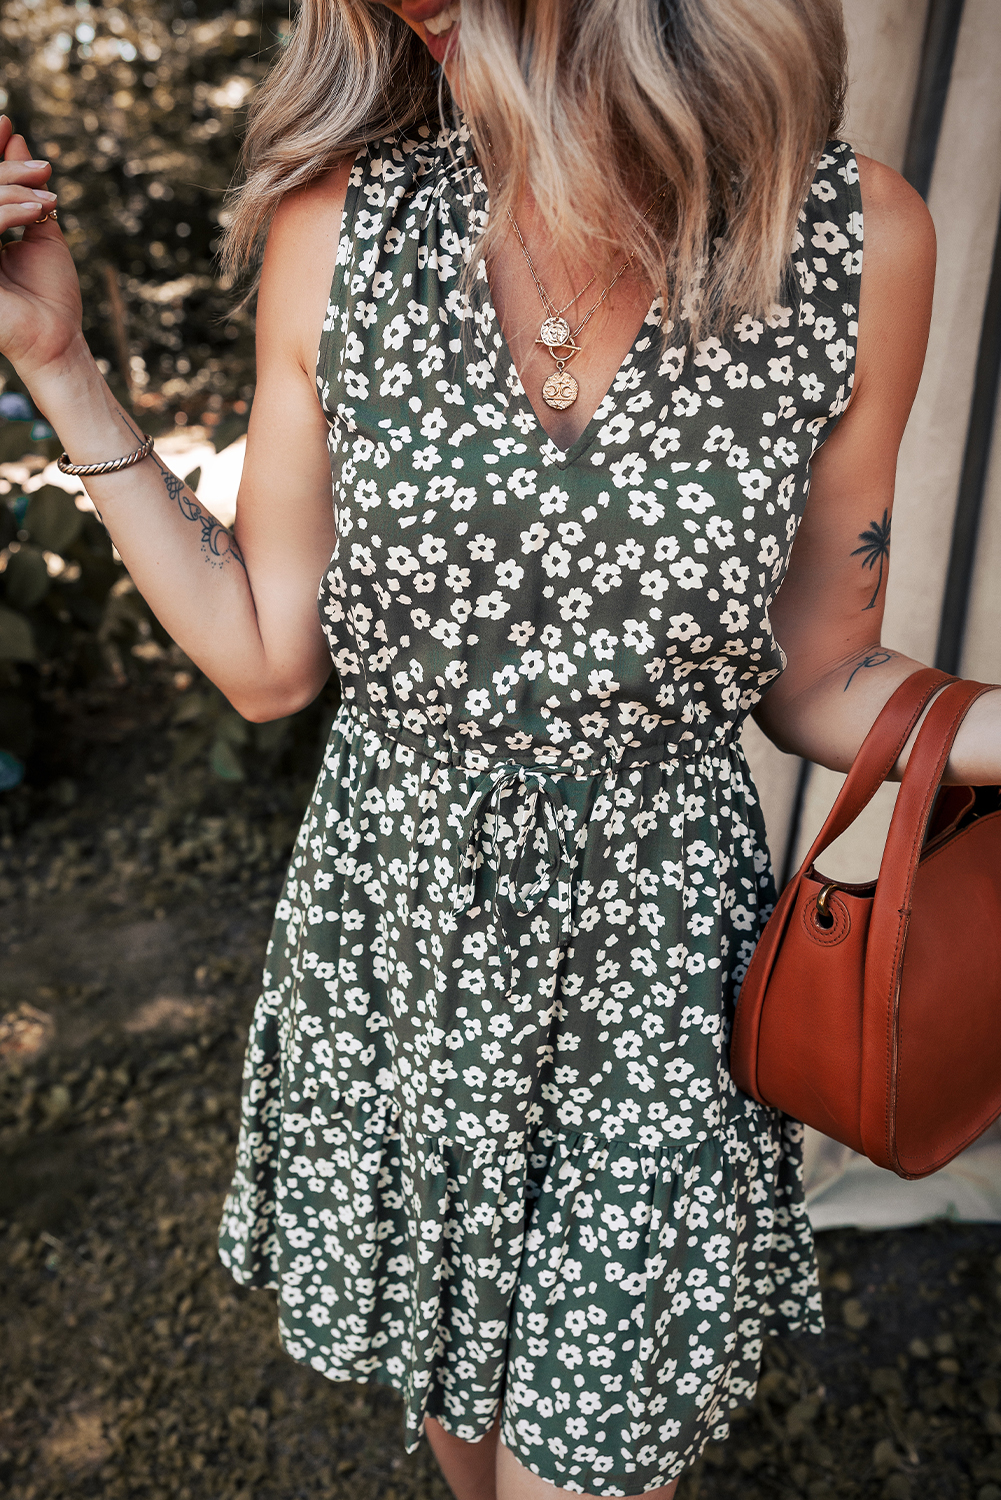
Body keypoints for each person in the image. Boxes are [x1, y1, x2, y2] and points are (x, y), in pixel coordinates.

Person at [1, 2, 998, 1495]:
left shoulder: (852, 238)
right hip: (402, 951)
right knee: (469, 1441)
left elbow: (819, 675)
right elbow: (269, 661)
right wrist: (62, 363)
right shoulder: (339, 230)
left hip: (654, 983)